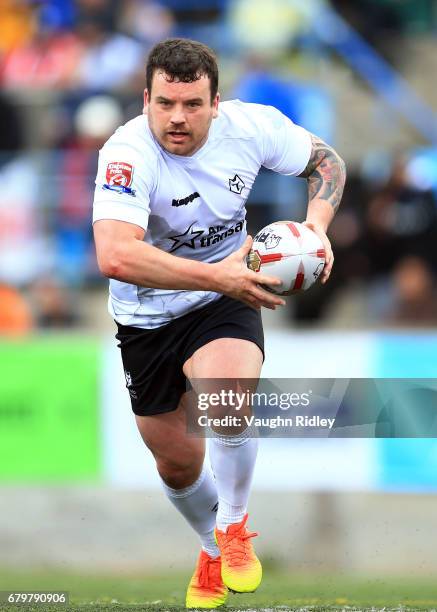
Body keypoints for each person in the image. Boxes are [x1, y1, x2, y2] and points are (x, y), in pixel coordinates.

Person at [93, 38, 346, 609]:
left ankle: (233, 527)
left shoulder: (252, 127)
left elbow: (327, 162)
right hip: (147, 314)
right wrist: (217, 278)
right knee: (177, 463)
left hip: (226, 293)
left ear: (216, 101)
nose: (177, 118)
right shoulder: (126, 155)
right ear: (146, 100)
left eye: (191, 104)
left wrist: (317, 226)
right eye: (164, 104)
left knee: (228, 397)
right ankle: (211, 548)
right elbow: (115, 257)